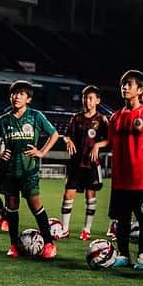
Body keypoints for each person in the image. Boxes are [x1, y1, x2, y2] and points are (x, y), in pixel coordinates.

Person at [91, 70, 143, 269]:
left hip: (142, 179)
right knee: (121, 220)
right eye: (123, 83)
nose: (124, 87)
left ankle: (142, 255)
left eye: (129, 84)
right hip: (120, 179)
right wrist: (98, 144)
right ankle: (123, 254)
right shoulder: (115, 117)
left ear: (140, 90)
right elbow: (110, 141)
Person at [0, 80, 61, 259]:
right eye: (14, 94)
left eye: (21, 94)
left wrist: (42, 151)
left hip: (29, 171)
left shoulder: (36, 116)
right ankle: (14, 245)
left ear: (28, 98)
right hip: (9, 172)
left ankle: (50, 243)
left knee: (35, 205)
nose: (16, 97)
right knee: (12, 207)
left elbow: (54, 134)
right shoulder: (3, 120)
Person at [60, 85, 109, 240]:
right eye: (85, 98)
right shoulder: (76, 117)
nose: (87, 101)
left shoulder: (102, 120)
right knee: (68, 195)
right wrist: (67, 140)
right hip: (76, 163)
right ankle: (64, 229)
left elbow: (109, 140)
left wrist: (97, 145)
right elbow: (66, 135)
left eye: (90, 98)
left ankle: (86, 230)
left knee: (90, 196)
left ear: (97, 100)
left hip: (92, 164)